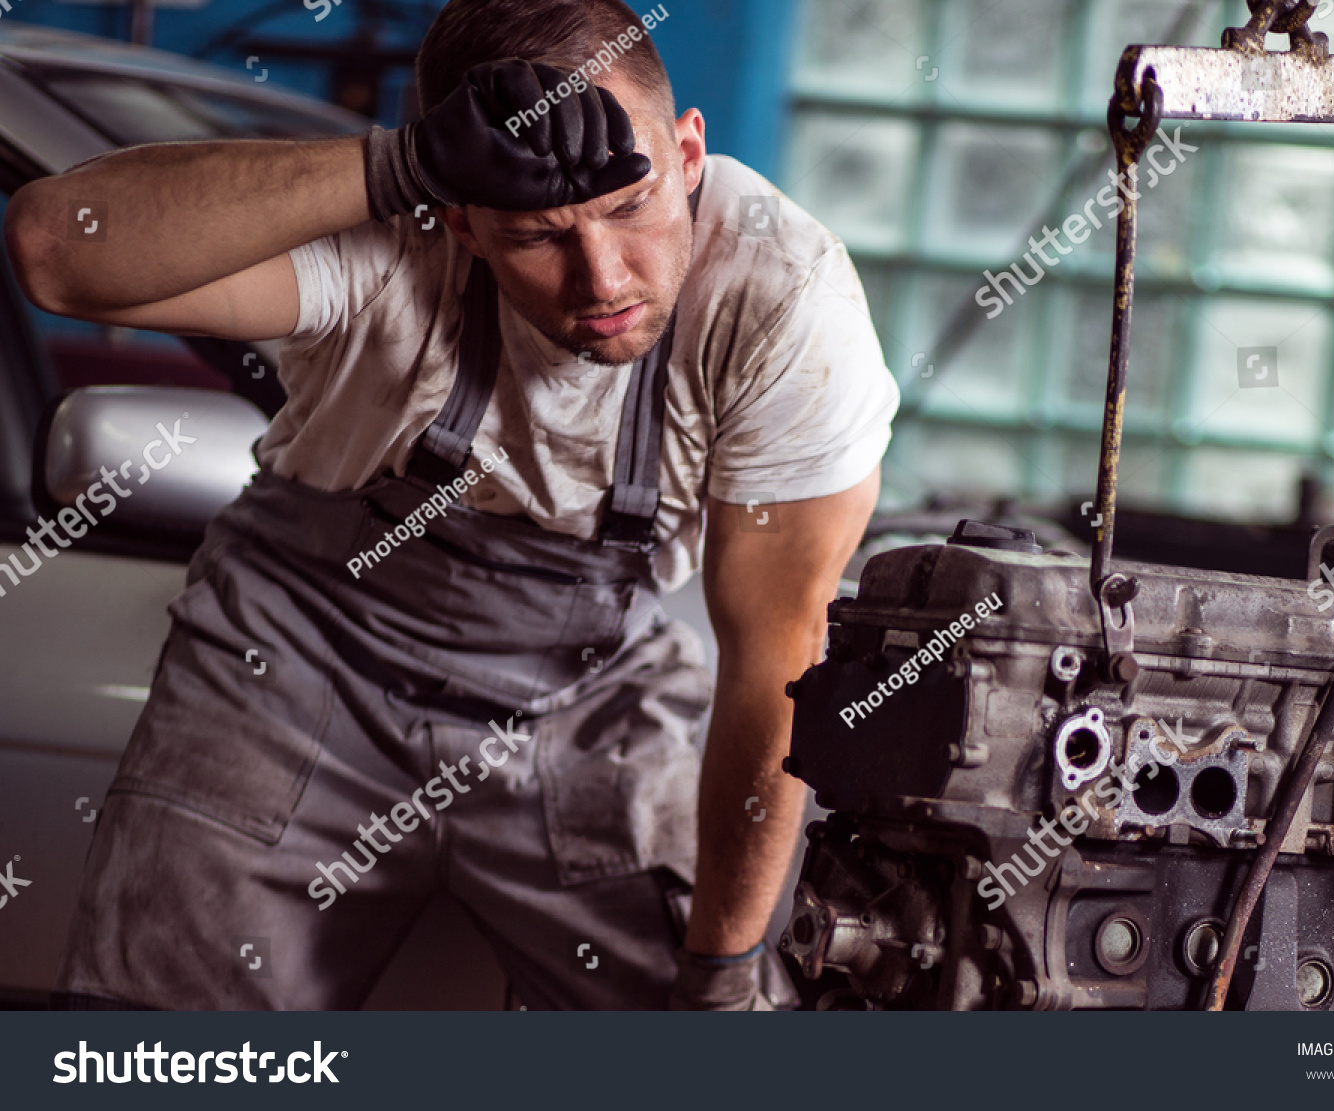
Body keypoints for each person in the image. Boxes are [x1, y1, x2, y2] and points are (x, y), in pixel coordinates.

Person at [4, 0, 899, 1010]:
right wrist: (402, 165)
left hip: (587, 692)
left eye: (627, 208)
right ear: (465, 221)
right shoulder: (398, 233)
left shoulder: (778, 290)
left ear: (690, 153)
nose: (602, 279)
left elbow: (774, 667)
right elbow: (51, 248)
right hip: (295, 668)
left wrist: (724, 976)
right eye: (536, 236)